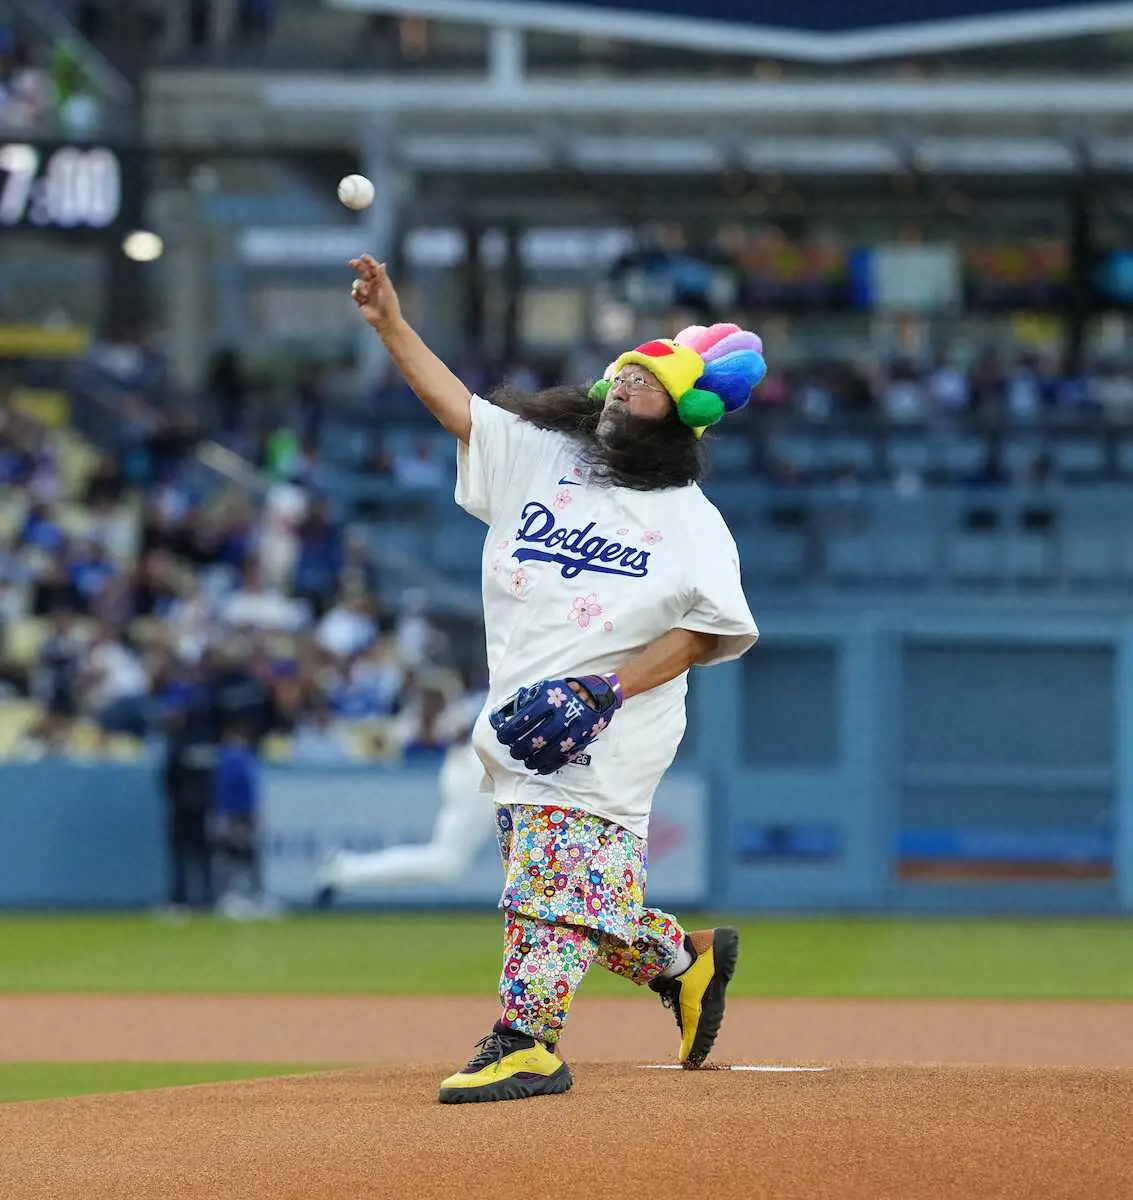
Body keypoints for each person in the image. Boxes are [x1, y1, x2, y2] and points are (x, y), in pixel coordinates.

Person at [349, 254, 763, 1105]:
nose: (620, 390)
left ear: (679, 417)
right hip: (522, 716)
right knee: (573, 887)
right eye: (622, 375)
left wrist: (606, 690)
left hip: (617, 720)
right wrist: (391, 324)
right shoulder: (544, 459)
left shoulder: (688, 521)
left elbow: (702, 633)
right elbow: (458, 409)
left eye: (644, 386)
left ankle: (526, 1040)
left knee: (548, 877)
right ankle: (680, 964)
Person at [312, 739, 495, 899]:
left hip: (486, 765)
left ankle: (344, 869)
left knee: (450, 862)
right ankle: (343, 869)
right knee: (446, 861)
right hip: (485, 768)